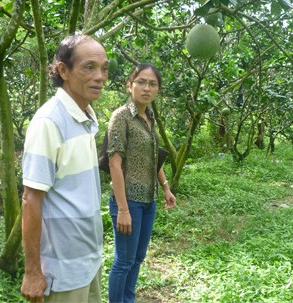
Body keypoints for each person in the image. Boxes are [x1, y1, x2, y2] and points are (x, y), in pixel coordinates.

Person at [20, 34, 108, 303]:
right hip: (62, 270)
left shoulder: (86, 115)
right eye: (89, 67)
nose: (100, 76)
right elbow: (31, 200)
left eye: (104, 68)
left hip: (89, 260)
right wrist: (33, 271)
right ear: (63, 70)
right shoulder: (49, 122)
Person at [106, 63, 177, 303]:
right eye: (141, 82)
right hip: (128, 201)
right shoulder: (121, 117)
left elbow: (154, 158)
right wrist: (123, 209)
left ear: (158, 90)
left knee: (137, 258)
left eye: (153, 84)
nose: (147, 88)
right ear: (130, 85)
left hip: (149, 200)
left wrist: (165, 187)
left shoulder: (149, 118)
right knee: (123, 261)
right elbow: (114, 164)